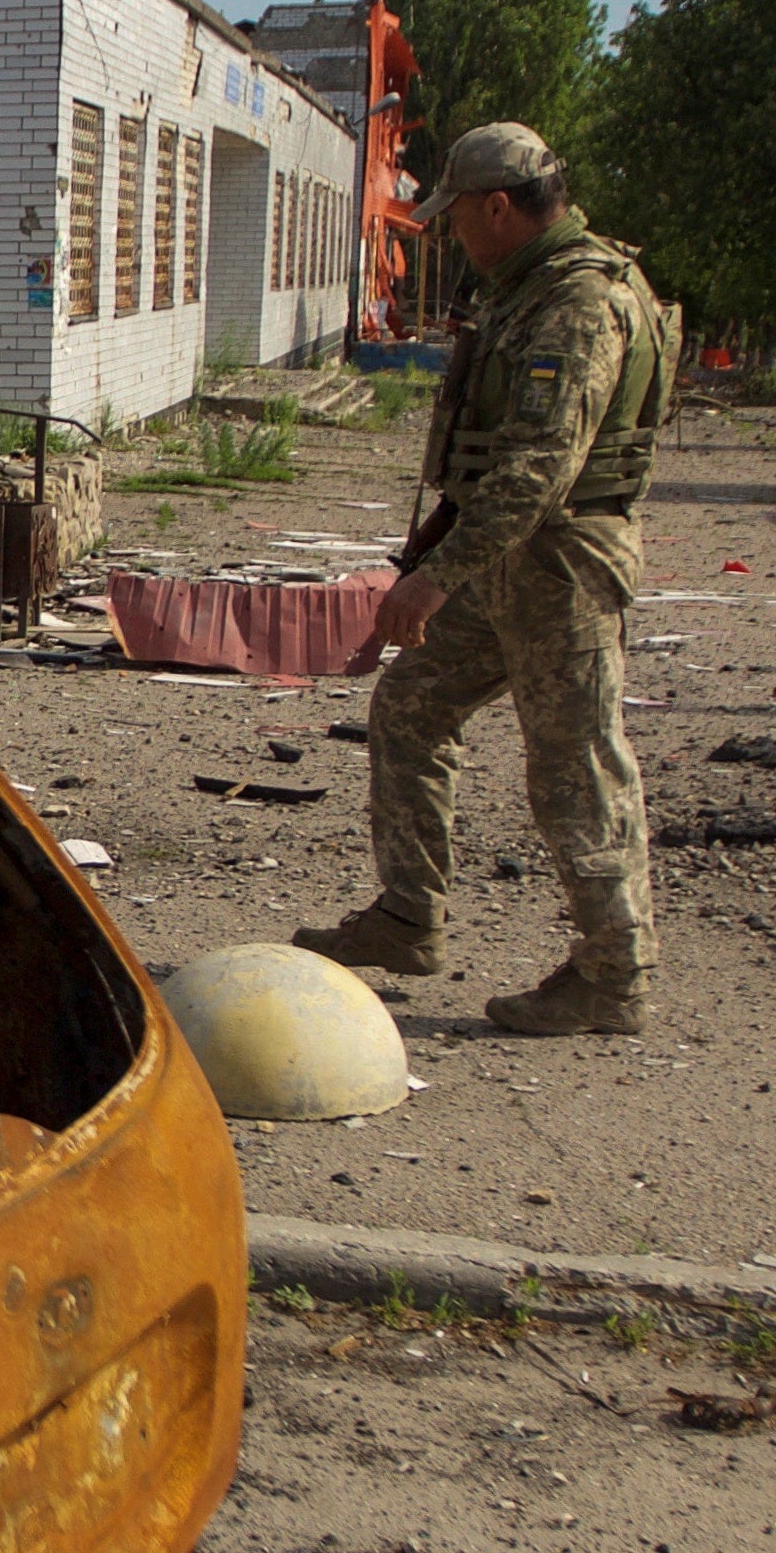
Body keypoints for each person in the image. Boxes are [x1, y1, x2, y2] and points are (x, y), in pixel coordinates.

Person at [291, 120, 675, 1036]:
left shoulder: (579, 303)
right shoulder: (523, 289)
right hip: (499, 558)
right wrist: (432, 557)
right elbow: (489, 460)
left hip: (560, 569)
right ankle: (407, 918)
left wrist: (433, 580)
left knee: (575, 768)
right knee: (412, 705)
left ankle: (612, 977)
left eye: (455, 215)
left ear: (496, 207)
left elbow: (540, 465)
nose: (449, 232)